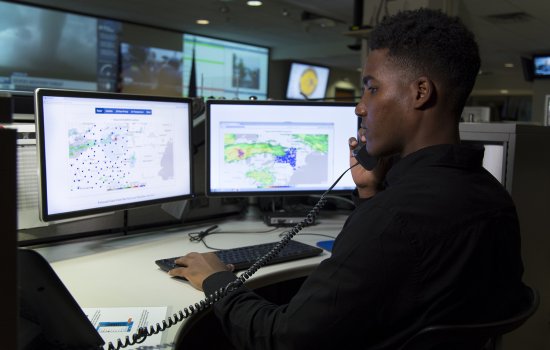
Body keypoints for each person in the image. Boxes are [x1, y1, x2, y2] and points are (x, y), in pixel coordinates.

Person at [168, 8, 529, 349]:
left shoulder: (394, 218)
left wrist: (217, 279)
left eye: (372, 88)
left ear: (420, 92)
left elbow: (281, 339)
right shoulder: (494, 198)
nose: (360, 106)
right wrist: (371, 192)